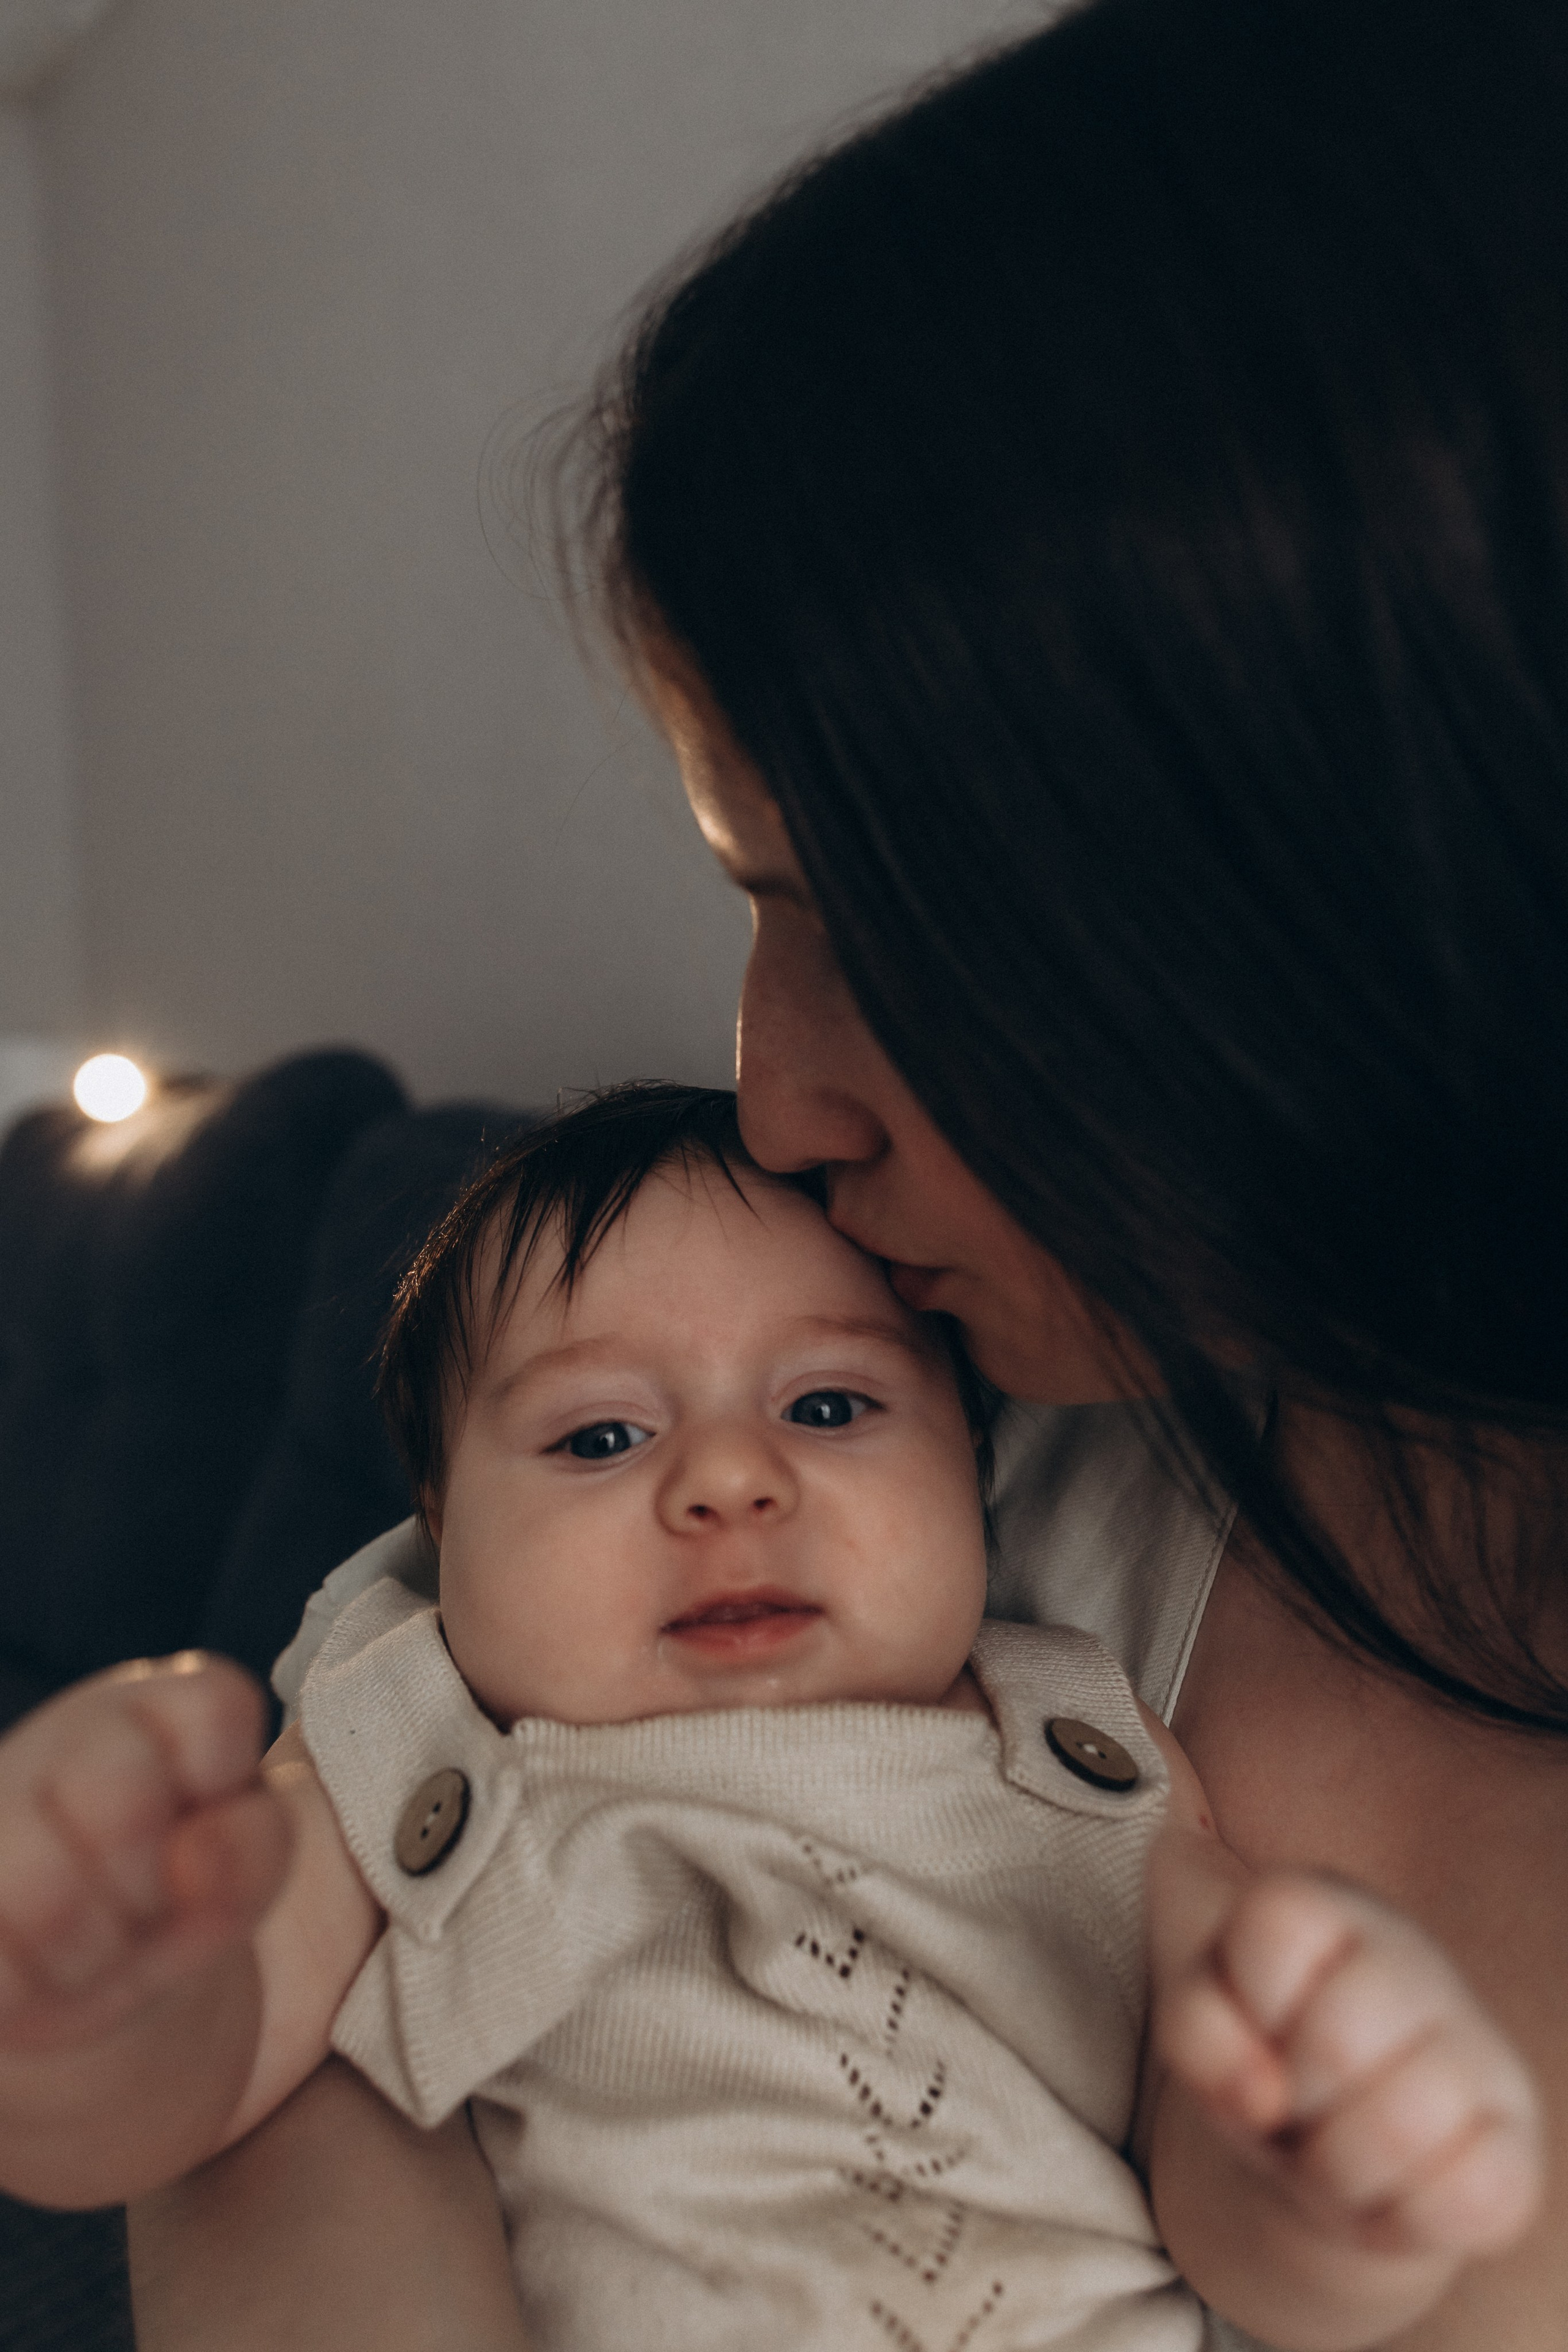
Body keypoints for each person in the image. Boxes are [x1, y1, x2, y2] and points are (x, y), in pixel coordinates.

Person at [127, 0, 1568, 2346]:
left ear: (1335, 869)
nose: (774, 1105)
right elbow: (317, 2037)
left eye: (861, 922)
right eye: (748, 906)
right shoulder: (993, 1458)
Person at [0, 1085, 1543, 2352]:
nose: (730, 1482)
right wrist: (85, 1998)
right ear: (438, 1522)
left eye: (828, 1408)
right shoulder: (419, 1732)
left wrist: (1322, 2185)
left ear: (973, 1478)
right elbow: (190, 2095)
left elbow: (1216, 2183)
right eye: (602, 1434)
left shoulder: (1087, 1743)